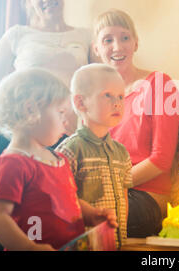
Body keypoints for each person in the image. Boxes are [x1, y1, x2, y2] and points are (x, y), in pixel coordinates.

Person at [0, 69, 118, 250]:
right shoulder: (13, 164)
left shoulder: (59, 159)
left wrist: (91, 215)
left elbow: (69, 201)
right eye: (61, 112)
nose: (66, 121)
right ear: (31, 109)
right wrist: (29, 248)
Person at [0, 0, 92, 155]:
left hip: (66, 134)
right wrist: (7, 121)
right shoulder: (17, 34)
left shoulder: (85, 36)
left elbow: (94, 86)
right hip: (23, 135)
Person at [93, 9, 179, 237]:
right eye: (108, 40)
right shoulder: (96, 97)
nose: (117, 46)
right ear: (96, 48)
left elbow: (161, 159)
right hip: (105, 193)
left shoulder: (160, 85)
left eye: (125, 37)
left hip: (146, 197)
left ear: (136, 43)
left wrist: (109, 186)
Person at [56, 64, 133, 249]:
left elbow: (124, 197)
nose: (117, 103)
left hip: (115, 243)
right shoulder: (69, 151)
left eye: (121, 97)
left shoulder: (121, 153)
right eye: (107, 95)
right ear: (81, 103)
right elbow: (60, 201)